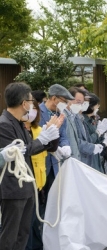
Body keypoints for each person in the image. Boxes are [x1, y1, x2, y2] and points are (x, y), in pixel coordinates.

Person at [0, 82, 61, 250]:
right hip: (13, 189)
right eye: (30, 100)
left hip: (26, 187)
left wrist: (48, 140)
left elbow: (29, 149)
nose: (32, 104)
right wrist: (42, 140)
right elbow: (17, 154)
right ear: (23, 103)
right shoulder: (4, 124)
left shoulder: (19, 122)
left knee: (23, 234)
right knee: (10, 236)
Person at [81, 93, 107, 172]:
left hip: (96, 158)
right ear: (90, 106)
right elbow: (88, 141)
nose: (98, 107)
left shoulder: (92, 120)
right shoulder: (83, 121)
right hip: (89, 159)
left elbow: (97, 140)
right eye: (97, 105)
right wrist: (98, 132)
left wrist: (104, 137)